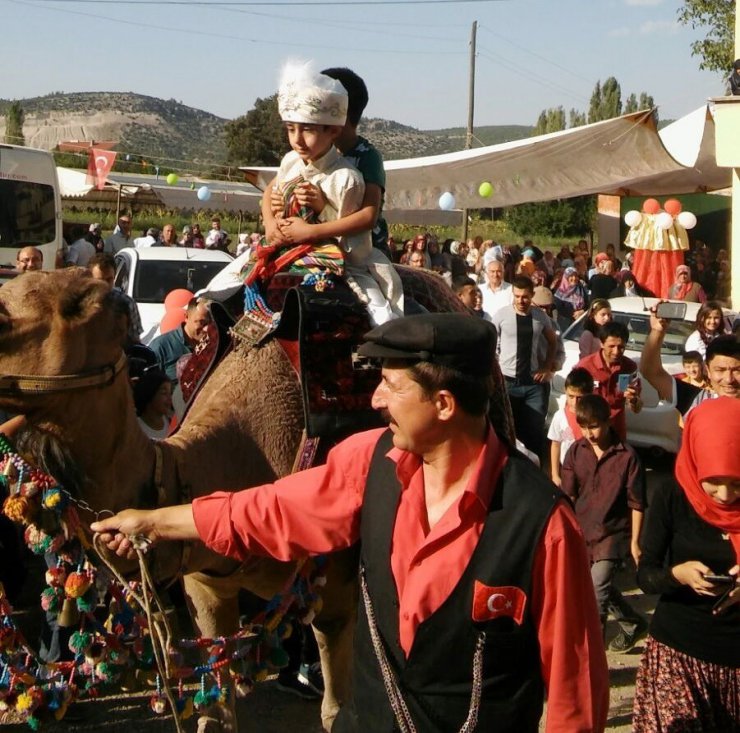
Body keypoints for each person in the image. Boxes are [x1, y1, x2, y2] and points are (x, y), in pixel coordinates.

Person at [91, 312, 609, 733]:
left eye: (390, 386)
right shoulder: (368, 462)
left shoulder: (542, 523)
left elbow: (575, 695)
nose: (375, 400)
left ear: (445, 404)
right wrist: (155, 522)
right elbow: (266, 509)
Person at [255, 61, 401, 326]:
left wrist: (312, 230)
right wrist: (270, 220)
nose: (298, 136)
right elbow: (272, 189)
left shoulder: (366, 158)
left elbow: (368, 215)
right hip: (296, 241)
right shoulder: (300, 156)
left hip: (357, 249)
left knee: (385, 318)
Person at [632, 397, 740, 732]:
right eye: (714, 481)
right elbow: (646, 575)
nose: (724, 495)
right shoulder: (672, 495)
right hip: (679, 654)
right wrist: (676, 575)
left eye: (737, 483)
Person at [562, 394, 647, 651]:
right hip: (582, 531)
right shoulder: (576, 452)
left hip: (612, 535)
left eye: (594, 426)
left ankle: (592, 661)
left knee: (595, 596)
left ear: (608, 422)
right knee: (596, 587)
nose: (590, 432)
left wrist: (634, 543)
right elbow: (567, 497)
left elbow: (637, 503)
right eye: (584, 426)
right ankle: (632, 623)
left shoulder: (628, 457)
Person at [491, 275, 559, 456]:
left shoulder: (540, 317)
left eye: (525, 296)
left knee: (534, 431)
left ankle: (534, 470)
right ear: (513, 295)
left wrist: (547, 366)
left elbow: (553, 342)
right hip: (508, 383)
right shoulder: (501, 315)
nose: (521, 300)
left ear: (532, 295)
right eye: (517, 296)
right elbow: (491, 344)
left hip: (533, 384)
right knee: (507, 430)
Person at [639, 308, 740, 416]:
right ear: (708, 370)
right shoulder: (696, 401)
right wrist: (657, 330)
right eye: (720, 370)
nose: (729, 379)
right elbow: (651, 371)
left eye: (737, 370)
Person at [575, 321, 642, 441]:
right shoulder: (585, 366)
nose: (616, 352)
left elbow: (637, 408)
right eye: (611, 346)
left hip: (616, 430)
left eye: (621, 347)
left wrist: (633, 400)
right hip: (591, 431)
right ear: (601, 343)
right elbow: (572, 402)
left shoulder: (629, 368)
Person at [547, 367, 594, 488]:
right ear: (565, 391)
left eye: (580, 397)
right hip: (567, 471)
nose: (575, 402)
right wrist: (555, 475)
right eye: (571, 396)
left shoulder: (595, 417)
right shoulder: (560, 417)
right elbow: (556, 444)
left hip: (590, 473)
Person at [148, 298, 212, 383]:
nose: (207, 329)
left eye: (210, 323)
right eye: (201, 322)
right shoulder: (161, 347)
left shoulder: (214, 345)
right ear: (186, 317)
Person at [88, 253, 143, 349]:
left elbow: (135, 340)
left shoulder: (127, 303)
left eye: (109, 279)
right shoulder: (81, 303)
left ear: (114, 277)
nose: (105, 285)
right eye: (99, 281)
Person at [133, 368, 173, 440]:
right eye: (164, 393)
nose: (170, 398)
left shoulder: (172, 421)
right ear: (149, 394)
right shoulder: (136, 429)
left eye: (170, 393)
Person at [553, 266, 588, 332]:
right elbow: (560, 309)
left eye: (576, 276)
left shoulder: (580, 288)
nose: (574, 278)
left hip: (580, 322)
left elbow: (587, 303)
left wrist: (582, 311)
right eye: (571, 276)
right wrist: (574, 315)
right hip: (565, 324)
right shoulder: (560, 292)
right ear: (566, 277)